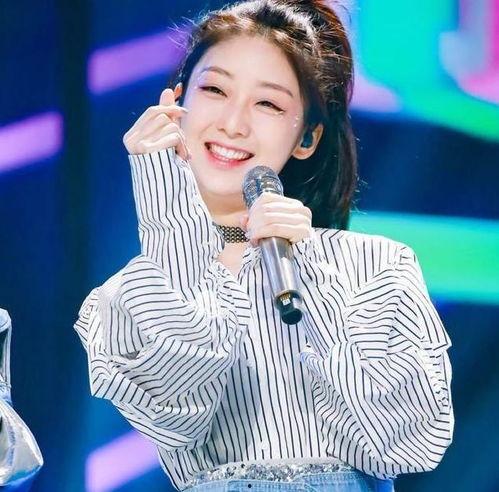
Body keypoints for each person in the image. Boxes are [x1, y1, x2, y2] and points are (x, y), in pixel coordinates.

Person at [74, 1, 454, 490]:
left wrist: (314, 285)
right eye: (214, 90)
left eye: (269, 104)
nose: (233, 123)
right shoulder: (129, 297)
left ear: (307, 137)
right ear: (175, 104)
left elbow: (402, 442)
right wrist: (165, 206)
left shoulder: (377, 266)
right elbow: (178, 411)